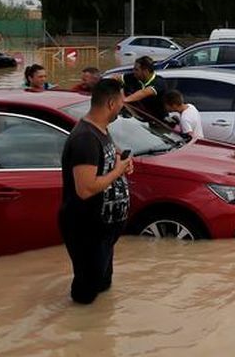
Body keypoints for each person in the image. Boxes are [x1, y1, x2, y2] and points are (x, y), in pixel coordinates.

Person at [58, 78, 133, 305]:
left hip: (103, 228)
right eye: (121, 102)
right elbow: (86, 189)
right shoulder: (85, 139)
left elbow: (107, 156)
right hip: (87, 228)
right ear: (111, 103)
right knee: (85, 294)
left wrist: (120, 160)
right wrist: (118, 171)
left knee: (102, 284)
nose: (123, 106)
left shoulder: (100, 130)